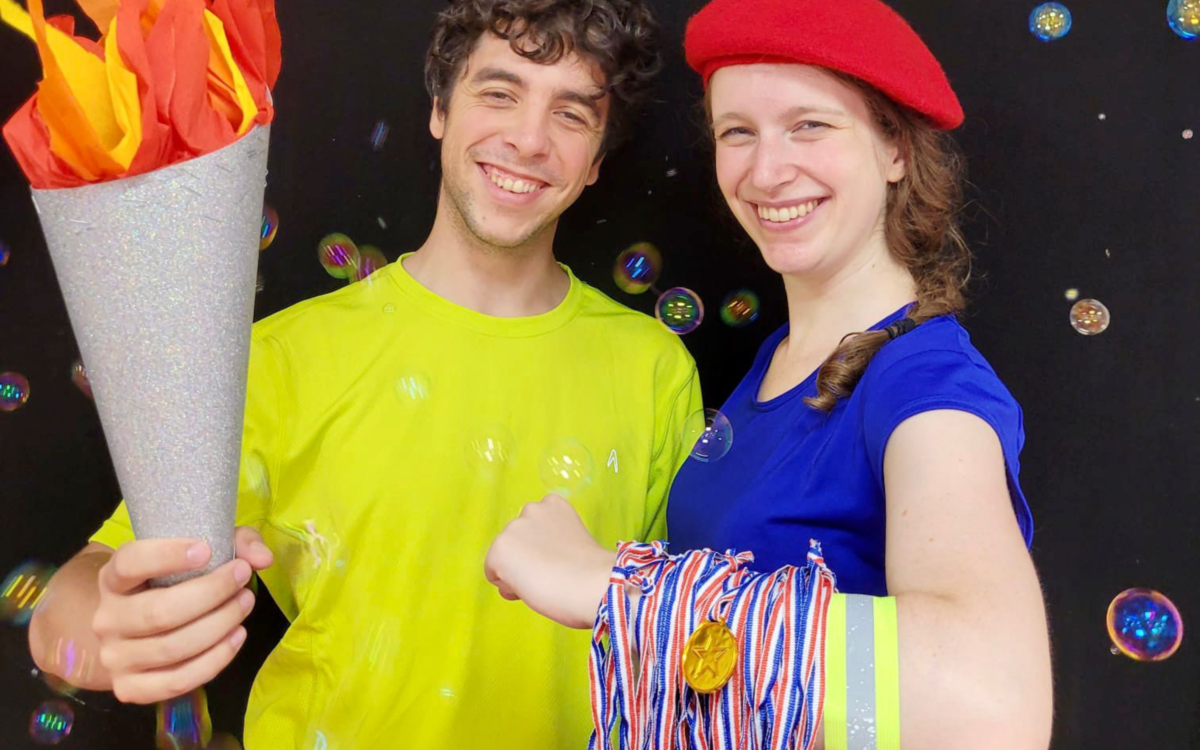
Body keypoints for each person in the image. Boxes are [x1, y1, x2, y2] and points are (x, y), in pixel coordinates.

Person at [28, 1, 703, 748]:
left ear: (600, 157)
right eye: (499, 93)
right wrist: (114, 626)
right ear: (440, 111)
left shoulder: (654, 369)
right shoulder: (283, 357)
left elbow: (677, 633)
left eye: (572, 114)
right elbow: (81, 595)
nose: (528, 139)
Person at [484, 0, 1054, 748]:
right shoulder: (775, 367)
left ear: (895, 150)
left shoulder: (927, 388)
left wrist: (611, 586)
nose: (766, 170)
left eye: (809, 124)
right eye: (737, 133)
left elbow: (994, 707)